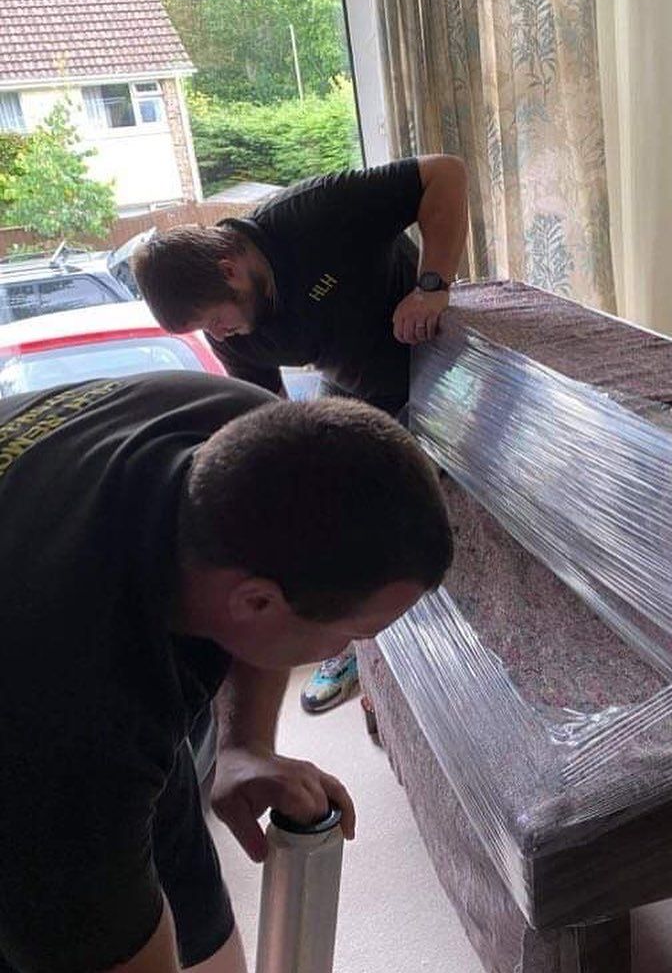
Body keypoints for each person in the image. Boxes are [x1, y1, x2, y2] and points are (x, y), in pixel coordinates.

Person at [0, 371, 453, 972]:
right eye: (357, 632)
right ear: (256, 602)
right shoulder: (76, 736)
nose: (355, 647)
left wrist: (247, 744)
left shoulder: (253, 437)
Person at [131, 154, 468, 714]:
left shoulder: (315, 216)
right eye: (205, 330)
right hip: (353, 386)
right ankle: (357, 646)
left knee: (412, 514)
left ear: (229, 268)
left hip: (432, 359)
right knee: (334, 513)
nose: (218, 336)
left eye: (214, 319)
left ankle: (430, 639)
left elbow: (446, 173)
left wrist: (432, 287)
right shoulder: (234, 336)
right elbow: (271, 420)